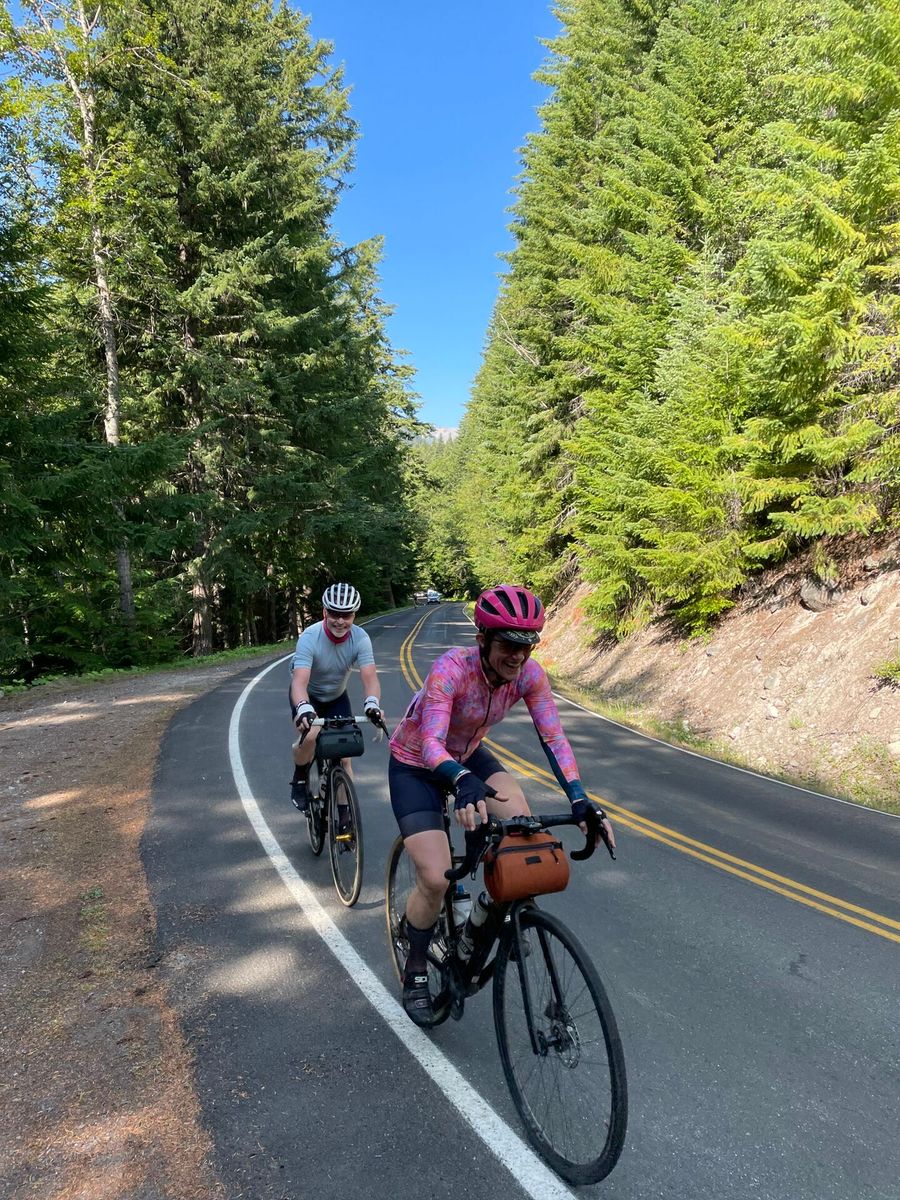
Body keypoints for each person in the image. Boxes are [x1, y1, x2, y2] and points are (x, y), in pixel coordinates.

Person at [387, 583, 615, 1025]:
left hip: (469, 756)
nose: (519, 656)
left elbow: (553, 738)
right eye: (509, 645)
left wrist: (580, 799)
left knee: (522, 829)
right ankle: (415, 968)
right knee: (435, 877)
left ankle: (486, 920)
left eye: (527, 646)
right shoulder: (451, 669)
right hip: (416, 763)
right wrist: (460, 779)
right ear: (483, 639)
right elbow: (432, 744)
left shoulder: (530, 675)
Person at [289, 582, 383, 812]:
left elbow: (370, 678)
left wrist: (372, 704)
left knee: (344, 755)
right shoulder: (310, 637)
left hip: (336, 697)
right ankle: (300, 778)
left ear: (354, 615)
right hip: (309, 697)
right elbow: (299, 682)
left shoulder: (360, 639)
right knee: (311, 735)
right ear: (324, 612)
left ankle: (345, 816)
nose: (340, 621)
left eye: (347, 615)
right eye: (334, 614)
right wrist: (303, 708)